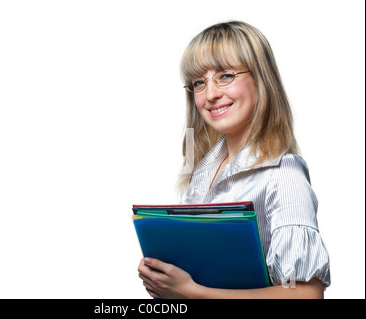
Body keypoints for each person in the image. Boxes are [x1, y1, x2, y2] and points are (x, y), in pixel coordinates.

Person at [137, 21, 330, 299]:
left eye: (226, 76)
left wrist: (191, 291)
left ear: (261, 79)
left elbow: (305, 294)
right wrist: (163, 274)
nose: (211, 94)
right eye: (199, 83)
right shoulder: (204, 168)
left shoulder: (282, 172)